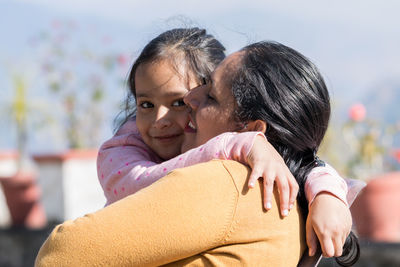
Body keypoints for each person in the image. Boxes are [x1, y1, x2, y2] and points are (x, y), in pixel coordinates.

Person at [35, 41, 358, 266]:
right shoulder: (289, 193)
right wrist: (328, 190)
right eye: (145, 104)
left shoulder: (231, 182)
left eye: (211, 95)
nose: (192, 98)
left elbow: (60, 254)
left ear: (250, 130)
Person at [97, 28, 347, 219]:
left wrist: (327, 196)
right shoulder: (121, 150)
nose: (159, 120)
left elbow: (307, 163)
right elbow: (145, 185)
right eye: (146, 105)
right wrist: (236, 144)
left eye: (178, 103)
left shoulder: (239, 178)